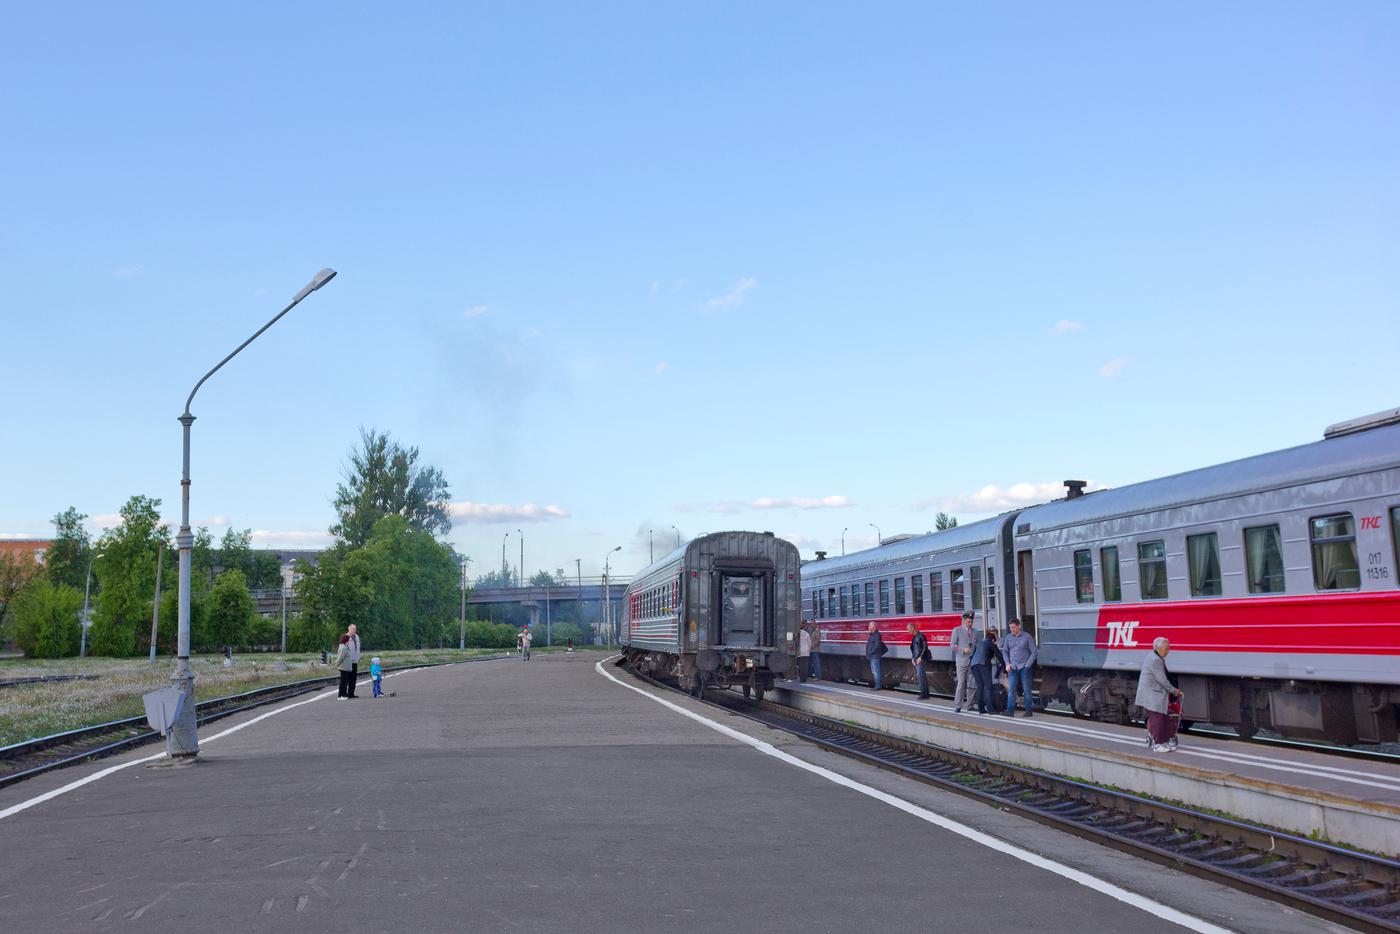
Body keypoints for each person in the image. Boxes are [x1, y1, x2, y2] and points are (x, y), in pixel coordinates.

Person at [1136, 637, 1184, 751]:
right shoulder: (1155, 660)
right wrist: (1174, 690)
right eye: (1166, 649)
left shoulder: (1156, 657)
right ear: (1159, 648)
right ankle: (1158, 744)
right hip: (1152, 695)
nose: (1168, 651)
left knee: (1163, 718)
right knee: (1157, 719)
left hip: (1155, 694)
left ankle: (1164, 742)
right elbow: (1162, 679)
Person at [1001, 618, 1037, 716]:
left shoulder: (1027, 637)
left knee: (1026, 690)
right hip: (1012, 667)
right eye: (1010, 628)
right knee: (1012, 689)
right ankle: (1010, 711)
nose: (1011, 629)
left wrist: (1027, 665)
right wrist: (1007, 663)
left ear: (1019, 626)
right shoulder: (1008, 637)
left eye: (1013, 627)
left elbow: (1034, 652)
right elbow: (1005, 651)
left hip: (1024, 667)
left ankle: (1029, 711)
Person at [969, 629, 1005, 715]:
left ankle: (981, 709)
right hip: (983, 665)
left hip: (974, 665)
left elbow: (971, 656)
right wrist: (1004, 668)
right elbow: (999, 655)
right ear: (993, 639)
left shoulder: (978, 643)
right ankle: (991, 710)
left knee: (980, 686)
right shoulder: (991, 643)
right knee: (989, 687)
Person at [949, 610, 978, 711]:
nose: (970, 624)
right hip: (961, 662)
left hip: (972, 662)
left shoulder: (975, 631)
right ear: (964, 620)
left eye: (971, 622)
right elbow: (952, 645)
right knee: (961, 684)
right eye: (968, 622)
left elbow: (976, 644)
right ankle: (958, 706)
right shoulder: (956, 630)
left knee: (972, 684)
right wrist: (963, 650)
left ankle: (970, 706)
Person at [908, 622, 931, 699]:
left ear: (912, 628)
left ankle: (923, 693)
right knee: (922, 676)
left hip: (921, 659)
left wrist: (920, 658)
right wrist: (912, 658)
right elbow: (914, 649)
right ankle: (926, 693)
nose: (908, 631)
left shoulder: (921, 635)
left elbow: (925, 647)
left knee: (920, 676)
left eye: (908, 629)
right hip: (916, 659)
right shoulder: (914, 637)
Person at [864, 621, 888, 689]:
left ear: (873, 627)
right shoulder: (873, 634)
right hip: (872, 656)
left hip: (875, 656)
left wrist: (870, 652)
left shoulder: (877, 635)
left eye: (869, 626)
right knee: (874, 671)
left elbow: (877, 646)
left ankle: (878, 685)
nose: (868, 627)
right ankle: (877, 685)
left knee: (876, 671)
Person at [335, 634, 354, 699]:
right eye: (349, 640)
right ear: (346, 641)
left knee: (345, 682)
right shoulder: (343, 648)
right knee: (343, 683)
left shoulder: (345, 647)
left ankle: (344, 694)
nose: (349, 641)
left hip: (346, 668)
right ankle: (340, 695)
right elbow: (340, 658)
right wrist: (336, 664)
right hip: (343, 668)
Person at [345, 623, 362, 698]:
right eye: (353, 629)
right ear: (349, 629)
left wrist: (358, 657)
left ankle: (351, 693)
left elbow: (358, 648)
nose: (354, 630)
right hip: (348, 661)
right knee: (348, 678)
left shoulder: (357, 637)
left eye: (355, 629)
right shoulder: (346, 637)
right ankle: (346, 693)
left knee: (354, 678)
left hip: (355, 661)